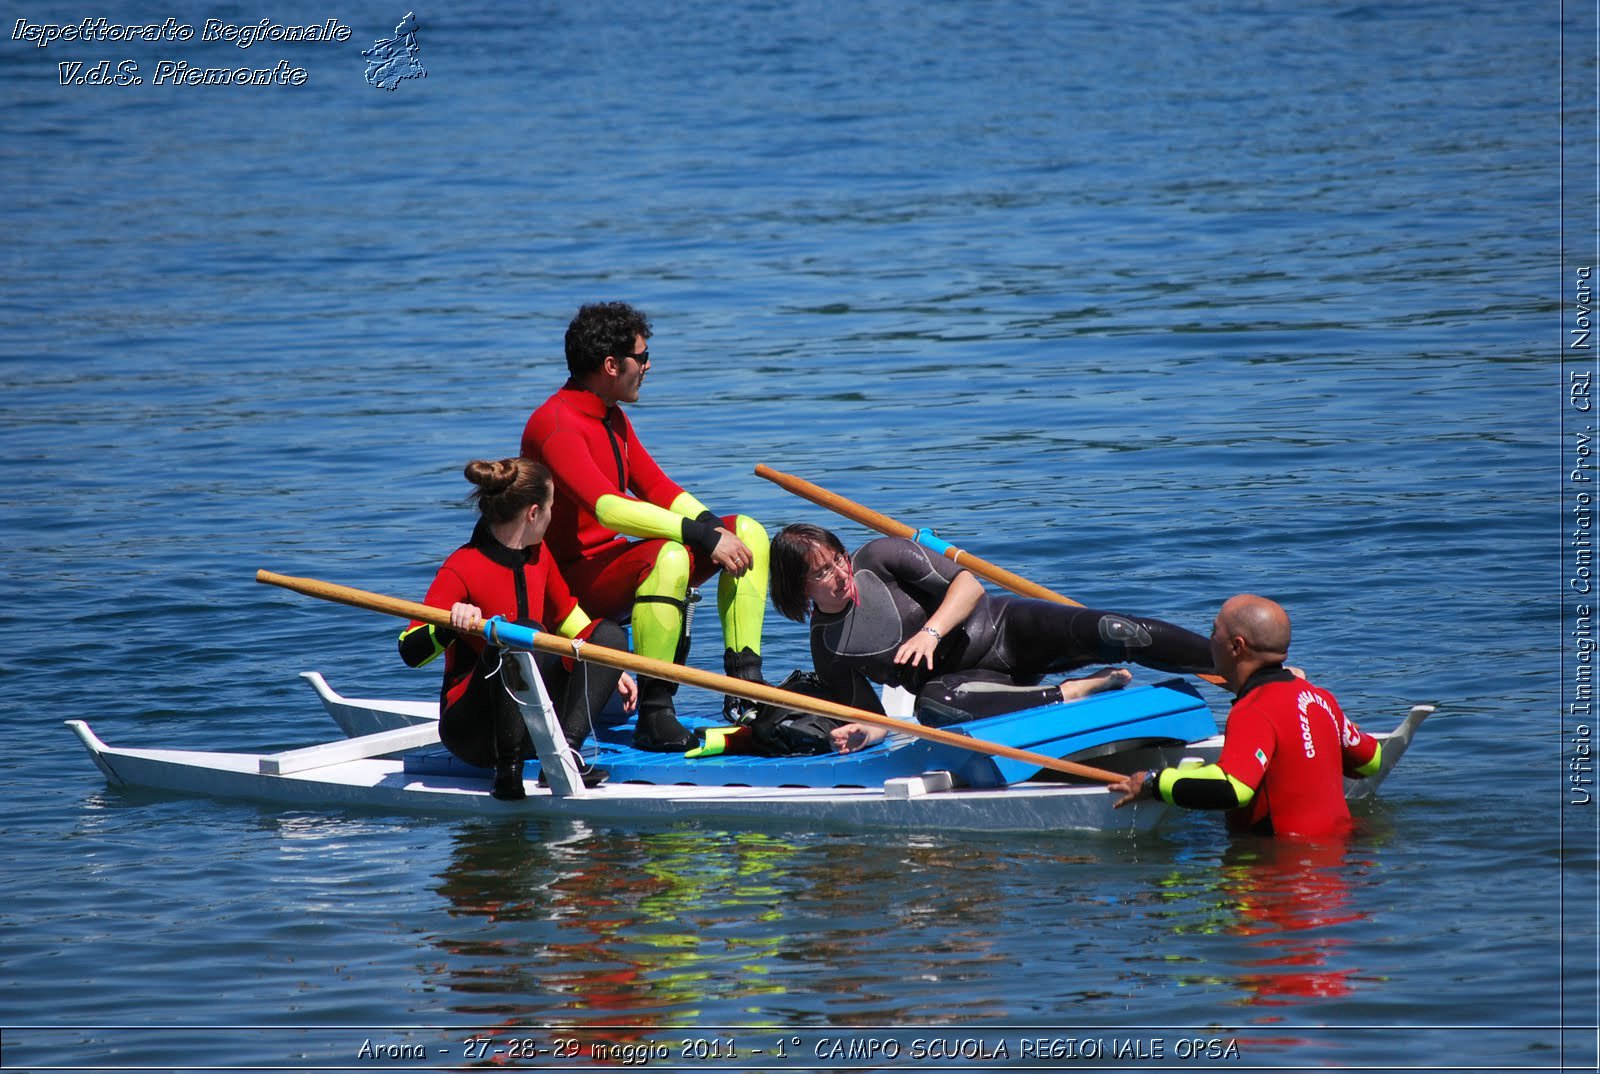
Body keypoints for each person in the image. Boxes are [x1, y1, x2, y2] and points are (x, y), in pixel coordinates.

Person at [521, 301, 769, 751]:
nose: (649, 365)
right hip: (568, 585)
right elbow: (608, 509)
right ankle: (656, 713)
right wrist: (700, 536)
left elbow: (657, 486)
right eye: (643, 356)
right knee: (670, 554)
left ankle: (746, 694)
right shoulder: (555, 424)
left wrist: (714, 527)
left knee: (748, 531)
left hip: (608, 569)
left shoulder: (612, 416)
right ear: (612, 364)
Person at [768, 524, 1218, 752]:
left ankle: (1235, 670)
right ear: (799, 589)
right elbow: (880, 719)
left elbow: (971, 586)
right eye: (822, 573)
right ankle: (1072, 692)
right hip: (970, 687)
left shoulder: (880, 557)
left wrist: (930, 631)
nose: (839, 575)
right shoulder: (827, 647)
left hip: (1007, 630)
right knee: (931, 709)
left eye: (838, 560)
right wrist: (862, 735)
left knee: (1117, 631)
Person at [399, 458, 637, 800]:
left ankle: (565, 753)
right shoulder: (461, 566)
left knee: (611, 634)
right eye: (552, 507)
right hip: (479, 732)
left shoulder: (540, 556)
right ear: (533, 513)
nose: (553, 516)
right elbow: (410, 651)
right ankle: (507, 771)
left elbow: (570, 616)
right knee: (521, 632)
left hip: (538, 727)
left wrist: (609, 663)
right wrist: (449, 625)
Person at [1108, 594, 1382, 839]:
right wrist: (1327, 736)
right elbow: (1371, 761)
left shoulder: (1254, 709)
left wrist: (1153, 782)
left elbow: (1233, 789)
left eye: (1213, 631)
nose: (1209, 640)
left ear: (1237, 646)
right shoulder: (1321, 699)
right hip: (1339, 873)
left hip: (1280, 876)